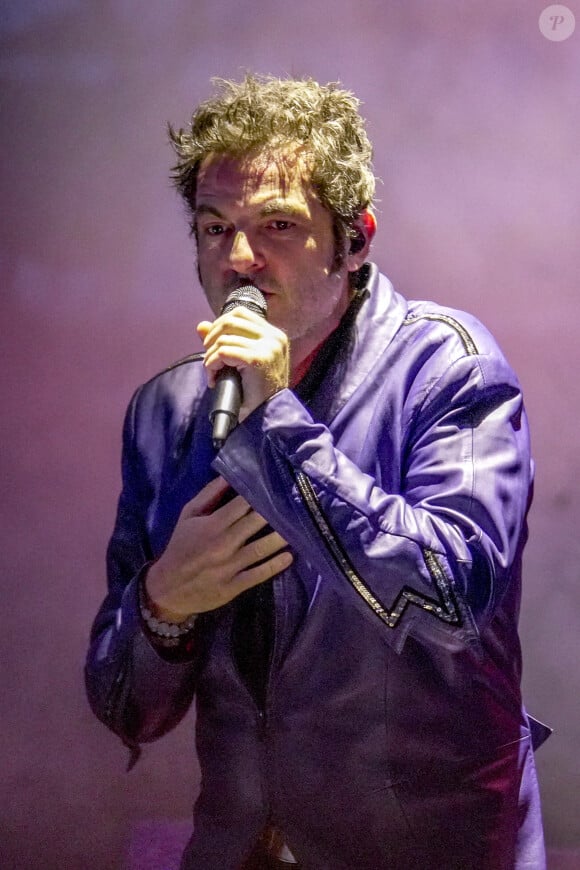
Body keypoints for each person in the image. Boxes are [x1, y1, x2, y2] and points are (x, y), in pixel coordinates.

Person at [85, 74, 548, 869]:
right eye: (212, 226)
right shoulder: (165, 411)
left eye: (277, 225)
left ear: (357, 237)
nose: (238, 258)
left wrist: (276, 422)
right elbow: (125, 706)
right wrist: (165, 605)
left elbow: (449, 600)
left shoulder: (450, 366)